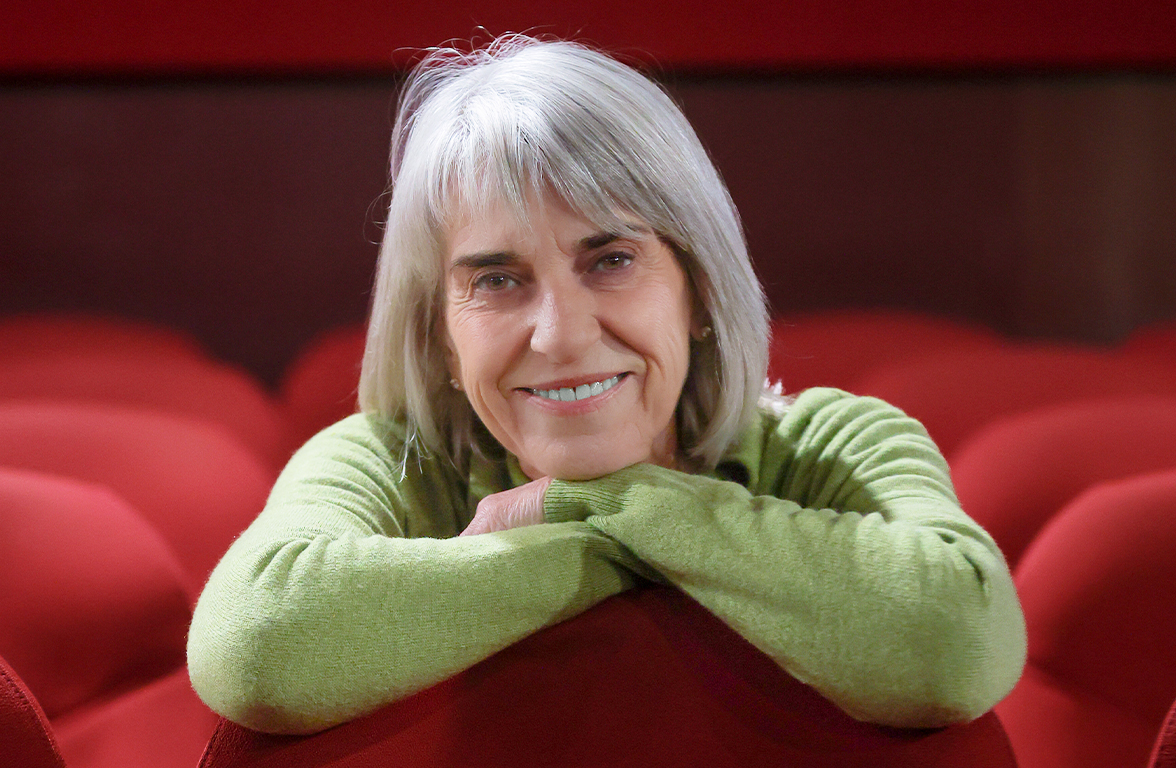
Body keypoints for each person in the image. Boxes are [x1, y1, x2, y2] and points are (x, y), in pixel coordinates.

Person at [187, 34, 1026, 736]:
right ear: (439, 335)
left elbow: (955, 643)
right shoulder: (389, 460)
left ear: (699, 292)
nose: (561, 334)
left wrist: (594, 505)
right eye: (497, 280)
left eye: (612, 260)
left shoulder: (837, 444)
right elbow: (258, 647)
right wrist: (633, 540)